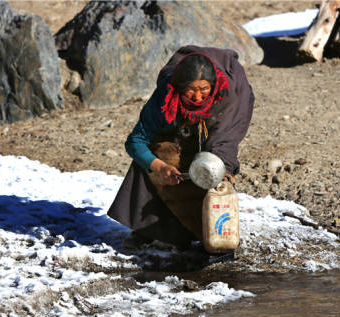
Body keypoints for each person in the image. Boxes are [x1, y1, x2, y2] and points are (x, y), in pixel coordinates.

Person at [108, 45, 254, 251]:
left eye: (204, 90)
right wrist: (158, 167)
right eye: (190, 91)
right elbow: (136, 141)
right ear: (178, 87)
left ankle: (213, 232)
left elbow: (224, 141)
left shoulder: (227, 97)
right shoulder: (165, 98)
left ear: (212, 86)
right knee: (159, 150)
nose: (197, 98)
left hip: (228, 110)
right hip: (179, 125)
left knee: (212, 167)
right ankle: (150, 229)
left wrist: (223, 172)